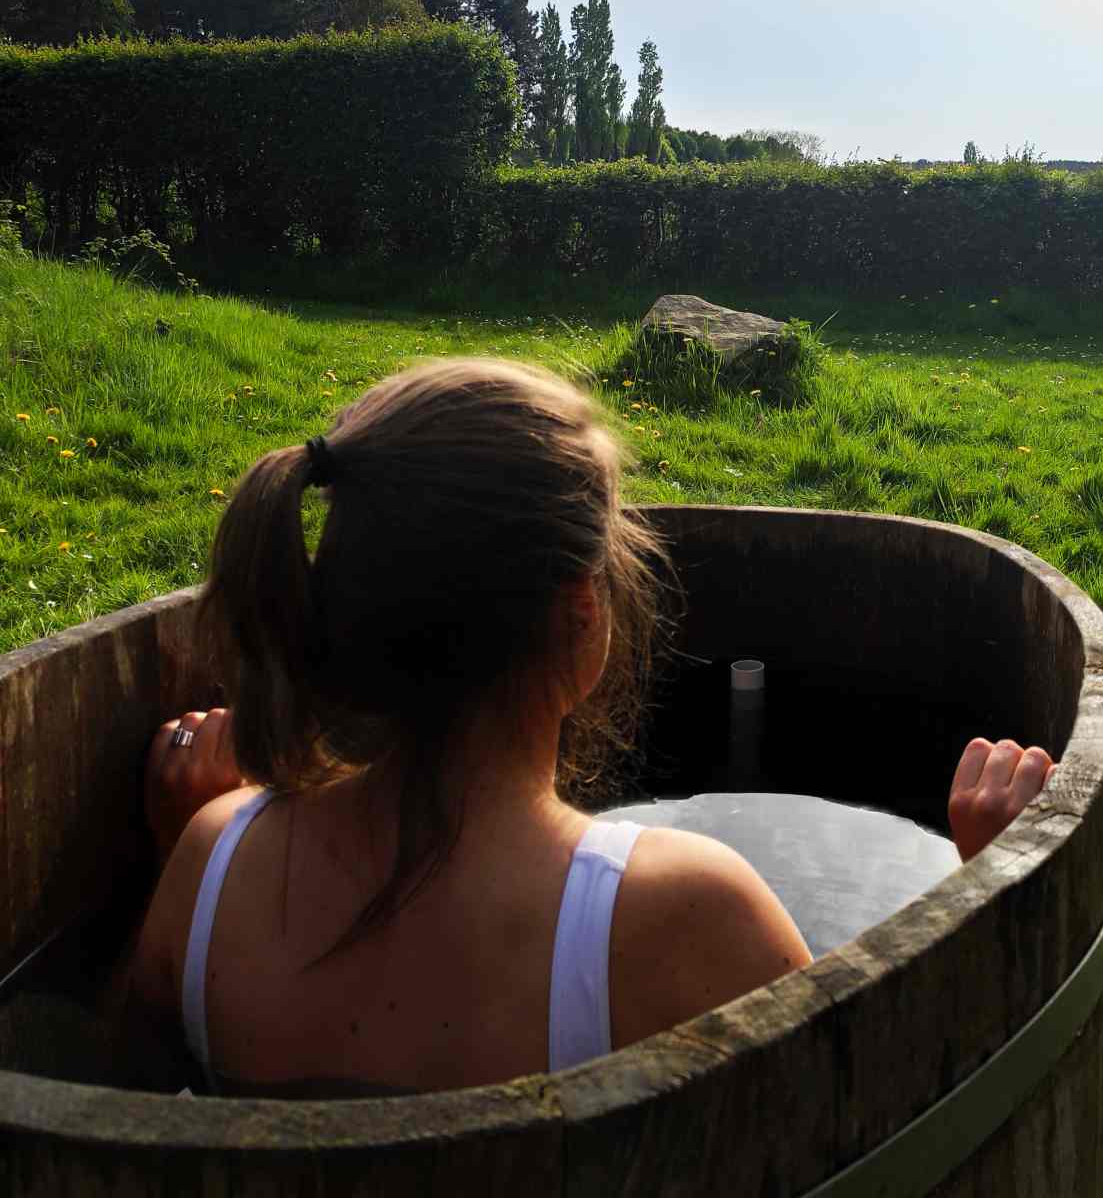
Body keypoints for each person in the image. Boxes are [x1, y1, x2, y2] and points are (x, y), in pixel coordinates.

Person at [119, 358, 1055, 1097]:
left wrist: (178, 847)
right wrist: (1001, 889)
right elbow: (885, 1128)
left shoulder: (208, 866)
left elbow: (132, 1091)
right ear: (580, 615)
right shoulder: (680, 917)